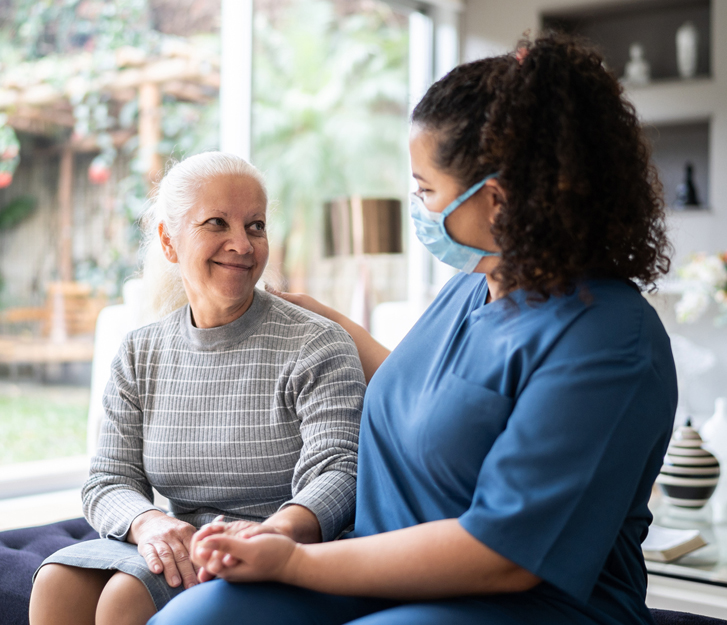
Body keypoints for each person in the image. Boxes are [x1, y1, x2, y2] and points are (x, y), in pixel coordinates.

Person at [149, 33, 677, 625]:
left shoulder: (608, 340)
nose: (419, 208)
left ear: (497, 201)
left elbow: (504, 554)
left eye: (426, 190)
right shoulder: (474, 286)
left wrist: (293, 561)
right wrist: (327, 322)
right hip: (381, 570)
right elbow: (430, 389)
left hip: (523, 600)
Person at [29, 152, 365, 625]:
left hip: (284, 547)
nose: (241, 245)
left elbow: (341, 469)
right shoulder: (140, 351)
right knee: (56, 583)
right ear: (169, 241)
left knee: (125, 597)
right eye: (216, 223)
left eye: (255, 226)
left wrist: (273, 534)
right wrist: (150, 523)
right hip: (186, 541)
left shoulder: (316, 343)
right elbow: (107, 480)